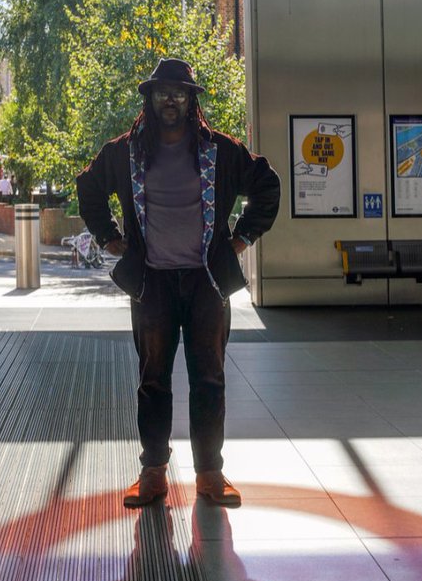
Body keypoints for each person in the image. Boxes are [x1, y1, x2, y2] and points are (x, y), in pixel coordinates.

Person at [76, 57, 280, 509]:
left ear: (191, 100)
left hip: (207, 282)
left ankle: (210, 474)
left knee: (209, 378)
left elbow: (267, 185)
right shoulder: (124, 152)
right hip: (152, 285)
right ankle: (153, 473)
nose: (171, 98)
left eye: (180, 91)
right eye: (162, 91)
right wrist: (110, 239)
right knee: (153, 380)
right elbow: (88, 189)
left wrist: (241, 239)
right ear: (149, 99)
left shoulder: (219, 150)